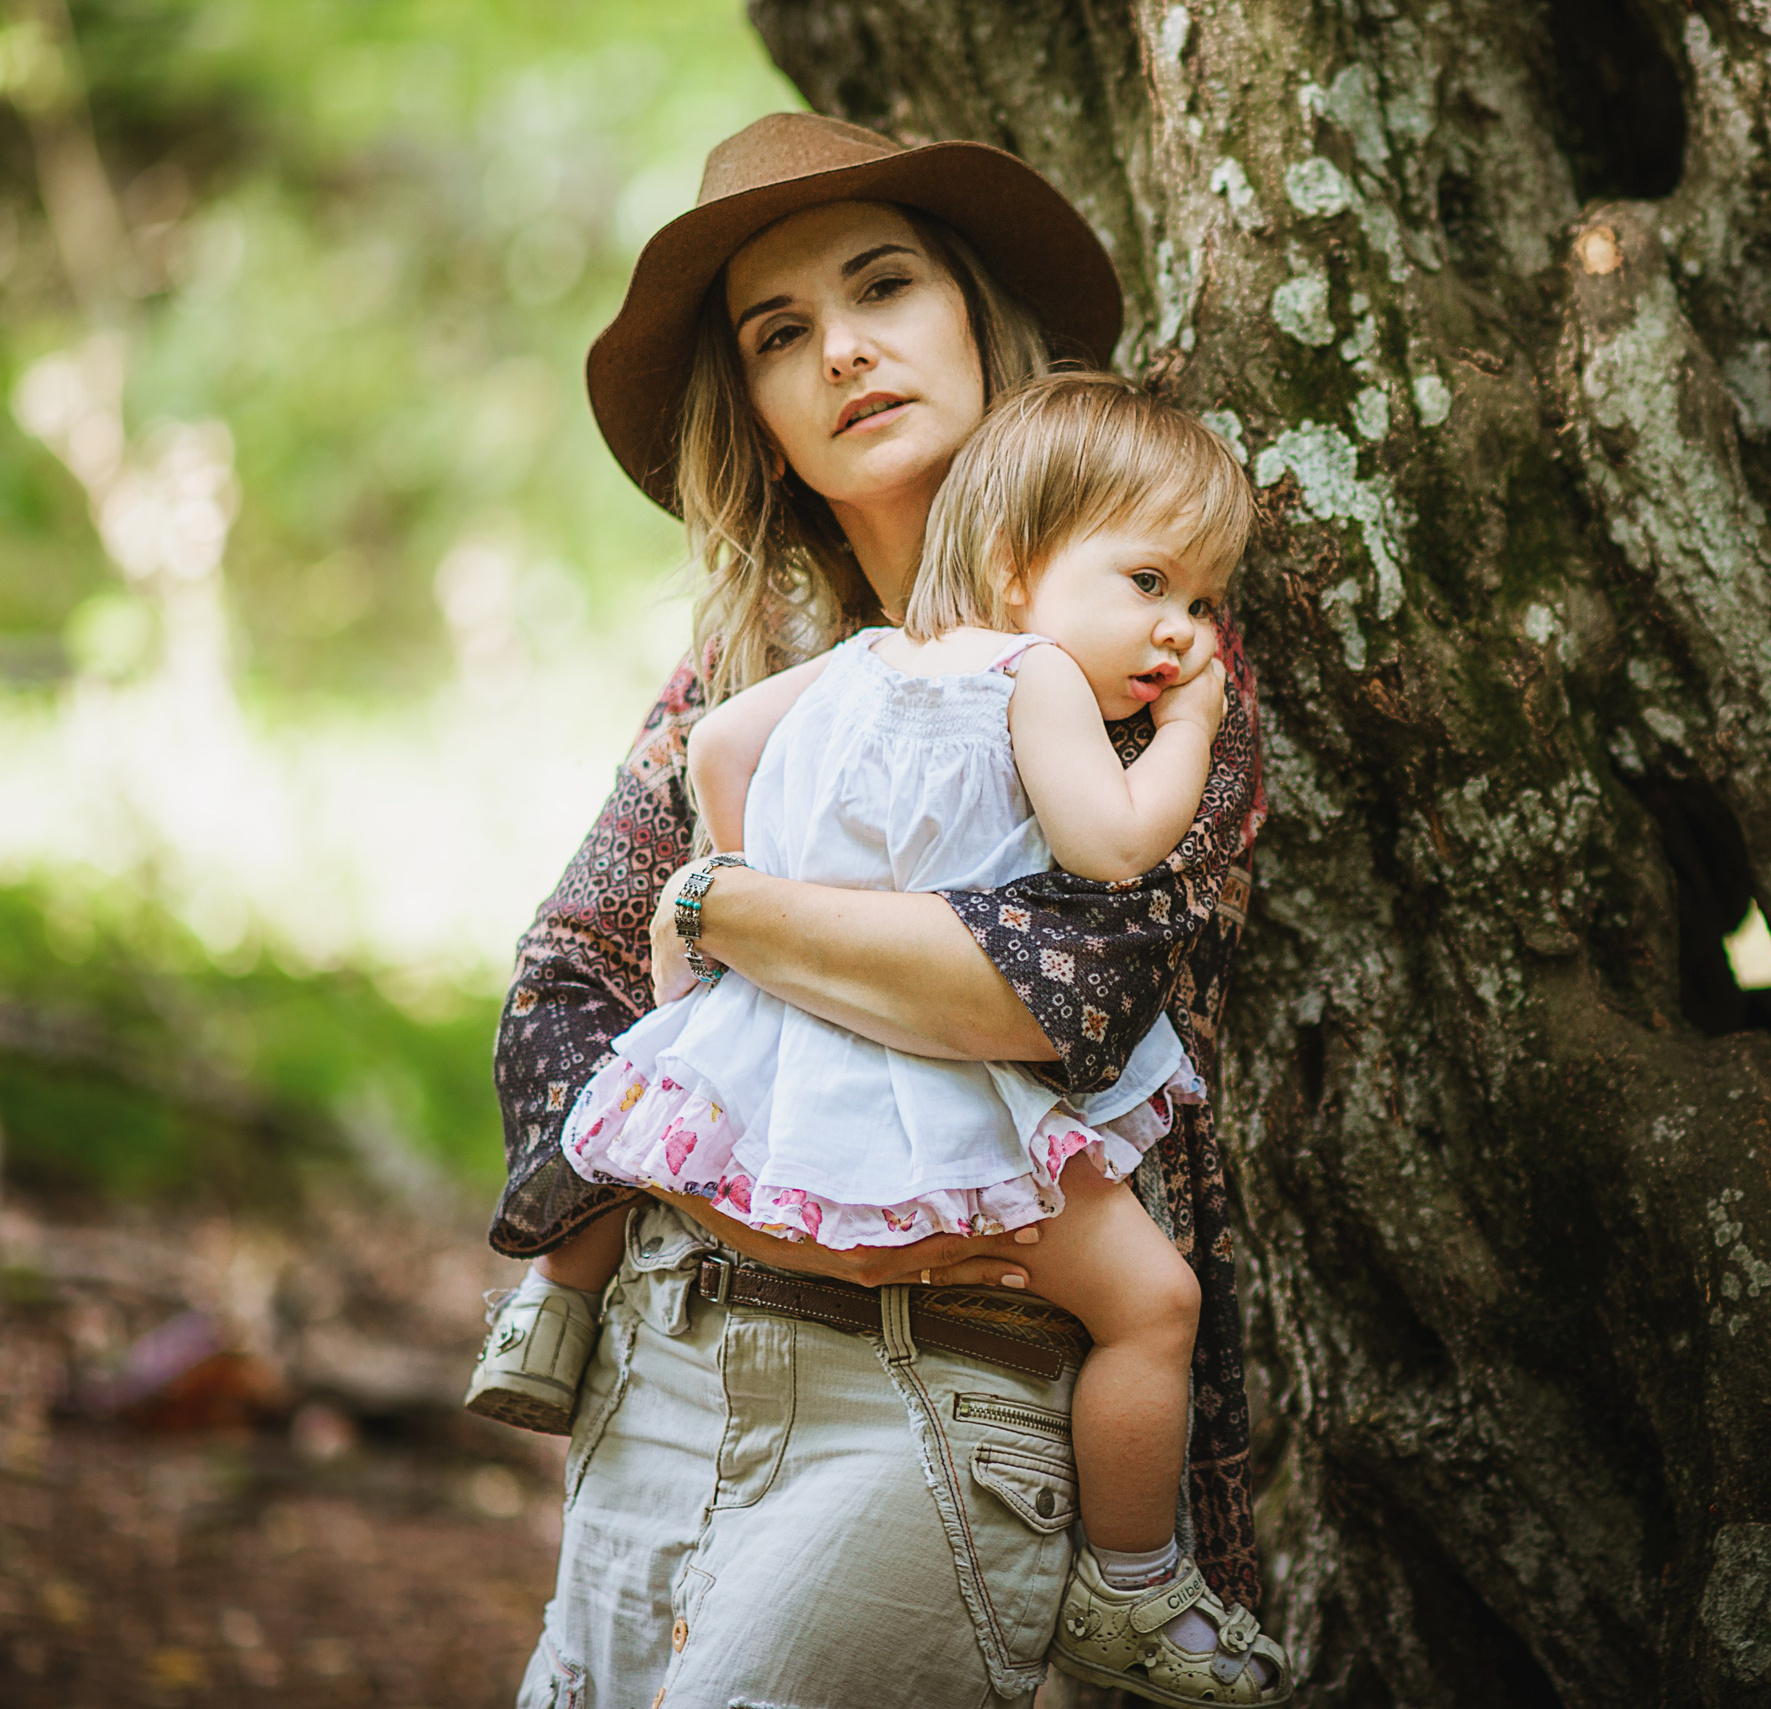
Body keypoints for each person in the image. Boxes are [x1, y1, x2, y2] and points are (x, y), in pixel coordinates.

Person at [482, 113, 1276, 1709]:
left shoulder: (1144, 661)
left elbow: (1042, 989)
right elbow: (564, 982)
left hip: (956, 1396)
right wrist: (702, 1197)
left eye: (884, 286)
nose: (844, 350)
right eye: (785, 334)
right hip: (672, 1371)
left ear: (975, 319)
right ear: (767, 420)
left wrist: (718, 910)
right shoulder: (746, 665)